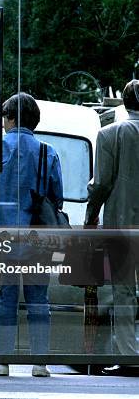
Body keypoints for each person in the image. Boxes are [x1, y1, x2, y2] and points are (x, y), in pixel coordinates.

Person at [0, 93, 63, 377]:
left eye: (4, 116)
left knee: (5, 299)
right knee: (39, 300)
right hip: (39, 238)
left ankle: (2, 362)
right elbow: (56, 198)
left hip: (5, 236)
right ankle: (40, 363)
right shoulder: (48, 152)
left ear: (11, 117)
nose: (2, 122)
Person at [84, 79, 139, 377]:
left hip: (122, 225)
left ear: (125, 104)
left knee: (124, 292)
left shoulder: (110, 134)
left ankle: (129, 355)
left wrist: (90, 217)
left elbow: (101, 184)